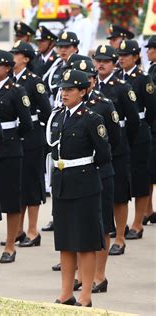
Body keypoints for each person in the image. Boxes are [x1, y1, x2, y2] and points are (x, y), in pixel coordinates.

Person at [48, 69, 110, 307]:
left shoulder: (93, 119)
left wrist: (82, 169)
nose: (64, 93)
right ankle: (66, 292)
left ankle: (85, 295)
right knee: (65, 241)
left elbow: (104, 155)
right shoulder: (59, 116)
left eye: (70, 89)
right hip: (63, 182)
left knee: (85, 242)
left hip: (84, 183)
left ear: (83, 91)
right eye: (63, 89)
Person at [70, 58, 120, 294]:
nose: (85, 81)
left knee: (101, 225)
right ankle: (82, 274)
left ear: (92, 81)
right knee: (80, 224)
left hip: (99, 172)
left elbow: (115, 140)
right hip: (77, 175)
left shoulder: (103, 104)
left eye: (89, 77)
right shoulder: (66, 108)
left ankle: (99, 275)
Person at [0, 50, 33, 263]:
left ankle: (10, 244)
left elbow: (27, 124)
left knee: (11, 200)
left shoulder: (17, 91)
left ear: (8, 68)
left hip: (10, 150)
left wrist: (11, 139)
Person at [93, 44, 139, 256]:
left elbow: (133, 121)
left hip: (118, 147)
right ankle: (100, 236)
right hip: (94, 148)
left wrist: (123, 144)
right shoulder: (89, 86)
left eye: (107, 61)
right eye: (99, 60)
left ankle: (119, 237)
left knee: (120, 194)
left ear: (114, 64)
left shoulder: (122, 87)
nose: (101, 64)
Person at [10, 41, 51, 248]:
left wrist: (36, 129)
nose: (13, 57)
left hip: (33, 136)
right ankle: (17, 229)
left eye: (16, 54)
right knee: (18, 183)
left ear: (25, 59)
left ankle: (33, 230)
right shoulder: (9, 80)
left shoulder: (34, 81)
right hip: (15, 137)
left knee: (32, 183)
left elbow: (46, 110)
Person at [116, 40, 156, 240]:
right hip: (120, 132)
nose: (122, 58)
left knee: (141, 178)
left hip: (139, 131)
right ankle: (120, 223)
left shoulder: (143, 78)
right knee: (122, 178)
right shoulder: (116, 77)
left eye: (126, 55)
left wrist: (143, 126)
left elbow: (152, 109)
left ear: (136, 56)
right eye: (120, 54)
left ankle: (138, 223)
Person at [145, 36, 156, 224]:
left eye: (150, 49)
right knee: (150, 169)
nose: (147, 52)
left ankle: (147, 210)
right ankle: (148, 210)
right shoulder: (152, 68)